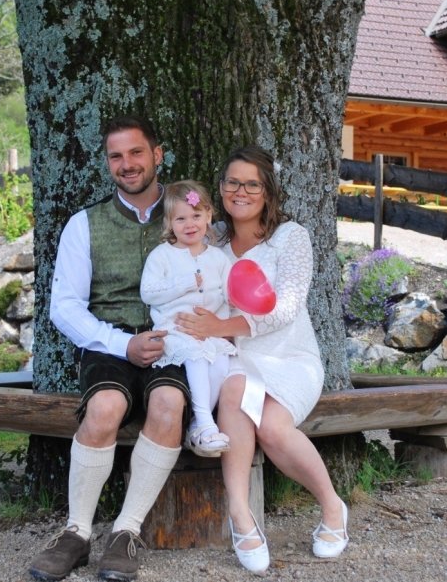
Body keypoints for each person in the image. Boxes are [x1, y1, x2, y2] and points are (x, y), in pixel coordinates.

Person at [30, 115, 190, 582]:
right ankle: (76, 533)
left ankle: (126, 531)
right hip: (109, 342)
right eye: (116, 156)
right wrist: (123, 344)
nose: (127, 164)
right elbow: (64, 307)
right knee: (103, 410)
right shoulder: (85, 224)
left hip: (173, 341)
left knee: (168, 405)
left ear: (157, 155)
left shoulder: (187, 215)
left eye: (136, 152)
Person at [175, 145, 349, 572]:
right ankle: (240, 514)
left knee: (272, 429)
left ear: (267, 191)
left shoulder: (290, 237)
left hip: (289, 357)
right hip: (233, 357)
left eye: (252, 184)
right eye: (233, 182)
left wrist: (220, 325)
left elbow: (286, 308)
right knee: (234, 388)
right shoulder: (209, 238)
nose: (241, 191)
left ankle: (332, 507)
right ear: (221, 188)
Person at [140, 180, 236, 458]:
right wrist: (184, 283)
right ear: (170, 224)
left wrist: (229, 314)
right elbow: (148, 293)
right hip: (176, 331)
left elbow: (229, 295)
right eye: (180, 219)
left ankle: (196, 424)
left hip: (210, 333)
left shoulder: (218, 258)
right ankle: (207, 424)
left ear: (208, 215)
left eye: (196, 215)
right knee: (197, 357)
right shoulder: (162, 256)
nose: (190, 224)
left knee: (221, 363)